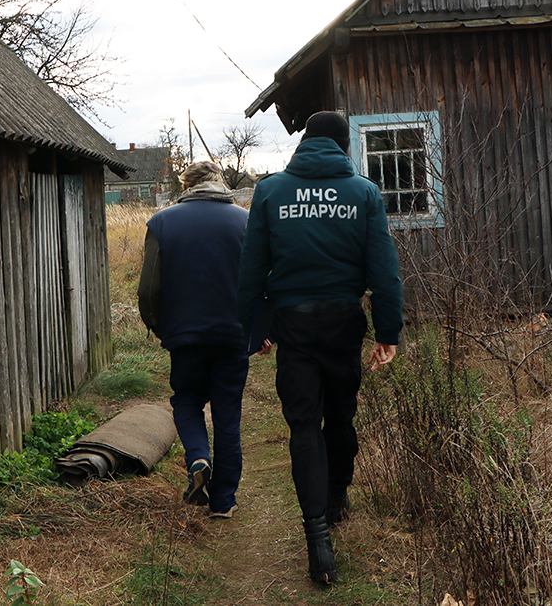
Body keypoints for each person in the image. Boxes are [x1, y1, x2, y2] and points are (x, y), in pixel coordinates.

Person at [236, 111, 403, 585]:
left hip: (294, 326)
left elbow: (251, 272)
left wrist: (249, 331)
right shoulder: (364, 193)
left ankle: (317, 541)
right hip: (343, 322)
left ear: (305, 141)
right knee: (341, 416)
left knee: (304, 425)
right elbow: (384, 272)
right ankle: (336, 500)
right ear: (343, 145)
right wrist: (388, 332)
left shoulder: (269, 192)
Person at [138, 161, 250, 519]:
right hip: (233, 335)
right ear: (219, 183)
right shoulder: (245, 221)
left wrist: (158, 326)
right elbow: (261, 280)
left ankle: (199, 456)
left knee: (187, 401)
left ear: (186, 185)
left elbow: (148, 288)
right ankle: (223, 502)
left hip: (183, 336)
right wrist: (260, 329)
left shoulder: (162, 223)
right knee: (228, 416)